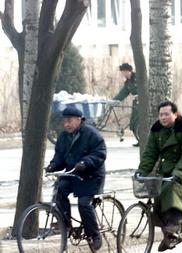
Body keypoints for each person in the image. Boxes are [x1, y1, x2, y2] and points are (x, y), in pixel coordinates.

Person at [135, 101, 182, 252]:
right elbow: (150, 153)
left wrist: (179, 174)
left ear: (175, 114)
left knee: (172, 190)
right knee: (158, 194)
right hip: (165, 173)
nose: (163, 117)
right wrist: (142, 171)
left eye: (166, 114)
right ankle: (169, 233)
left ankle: (172, 232)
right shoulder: (156, 131)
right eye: (161, 114)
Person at [45, 106, 106, 251]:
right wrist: (52, 166)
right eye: (64, 121)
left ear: (79, 120)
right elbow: (59, 156)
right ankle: (65, 225)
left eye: (70, 121)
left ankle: (95, 235)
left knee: (84, 204)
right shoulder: (63, 137)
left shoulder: (91, 134)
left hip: (91, 175)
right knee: (59, 192)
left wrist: (85, 163)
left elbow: (100, 153)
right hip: (72, 173)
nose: (66, 124)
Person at [112, 63, 139, 146]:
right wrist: (113, 101)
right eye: (122, 72)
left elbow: (145, 87)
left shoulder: (138, 78)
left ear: (129, 71)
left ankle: (143, 139)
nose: (123, 74)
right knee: (133, 122)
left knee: (139, 121)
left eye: (124, 72)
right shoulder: (128, 82)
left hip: (143, 102)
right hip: (136, 102)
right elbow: (123, 93)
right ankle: (139, 140)